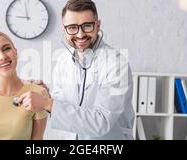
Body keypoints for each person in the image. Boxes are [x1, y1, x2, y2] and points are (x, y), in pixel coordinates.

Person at [18, 0, 135, 140]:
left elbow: (101, 122)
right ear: (64, 30)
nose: (80, 35)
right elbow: (63, 104)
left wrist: (46, 103)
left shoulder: (116, 64)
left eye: (87, 26)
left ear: (98, 25)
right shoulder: (63, 61)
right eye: (72, 27)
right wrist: (46, 96)